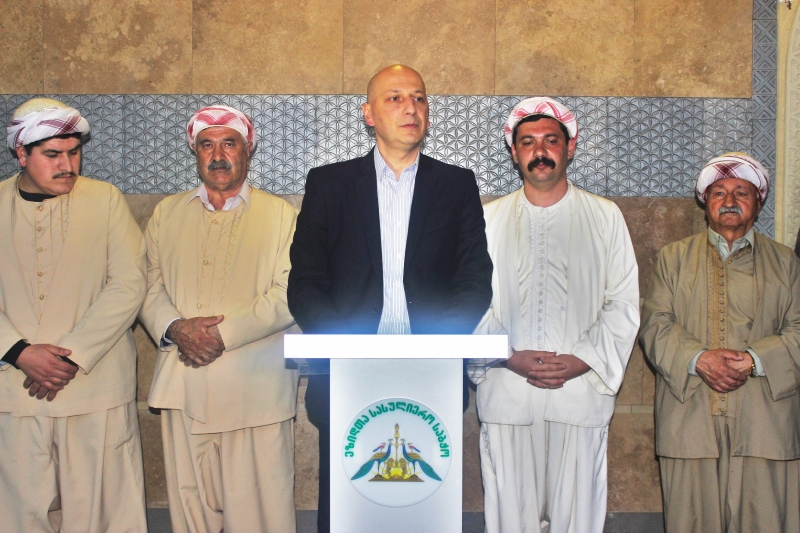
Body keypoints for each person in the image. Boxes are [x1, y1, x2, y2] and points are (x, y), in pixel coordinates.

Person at [287, 64, 493, 532]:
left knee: (424, 505)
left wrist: (435, 349)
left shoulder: (456, 184)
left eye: (418, 98)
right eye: (395, 98)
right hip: (347, 375)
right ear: (368, 114)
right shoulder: (329, 183)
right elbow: (306, 282)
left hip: (432, 375)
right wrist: (348, 350)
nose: (410, 108)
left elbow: (474, 279)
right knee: (348, 508)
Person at [468, 97, 640, 533]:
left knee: (576, 518)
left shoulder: (605, 216)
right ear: (514, 152)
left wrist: (582, 359)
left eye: (550, 140)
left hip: (579, 392)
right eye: (528, 142)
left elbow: (623, 303)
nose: (539, 151)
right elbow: (470, 301)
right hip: (508, 389)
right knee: (511, 517)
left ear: (570, 147)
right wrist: (508, 355)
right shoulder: (486, 220)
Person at [139, 105, 300, 533]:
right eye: (207, 145)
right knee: (190, 516)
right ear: (195, 152)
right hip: (183, 384)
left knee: (260, 518)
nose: (218, 155)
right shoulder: (167, 213)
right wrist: (177, 329)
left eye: (229, 143)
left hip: (255, 390)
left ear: (248, 150)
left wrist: (219, 335)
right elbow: (147, 284)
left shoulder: (281, 215)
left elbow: (289, 293)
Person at [0, 97, 147, 532]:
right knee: (17, 514)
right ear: (21, 153)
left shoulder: (105, 200)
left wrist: (72, 355)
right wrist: (19, 351)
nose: (67, 165)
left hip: (94, 385)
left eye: (74, 152)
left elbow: (128, 283)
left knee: (105, 514)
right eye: (52, 155)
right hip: (14, 388)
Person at [640, 153, 800, 533]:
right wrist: (698, 358)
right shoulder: (673, 259)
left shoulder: (787, 263)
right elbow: (655, 324)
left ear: (758, 203)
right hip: (690, 418)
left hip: (765, 421)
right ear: (705, 202)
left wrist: (755, 360)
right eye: (719, 193)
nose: (729, 201)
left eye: (741, 192)